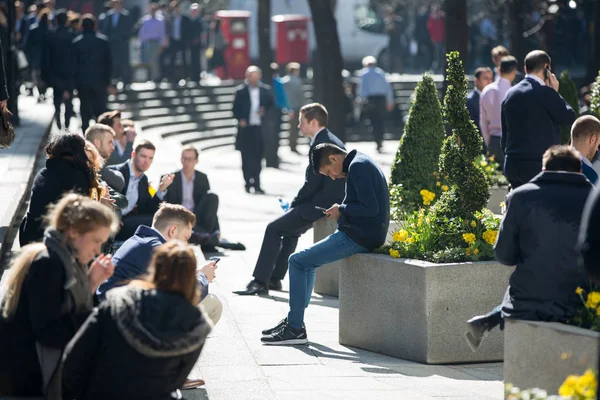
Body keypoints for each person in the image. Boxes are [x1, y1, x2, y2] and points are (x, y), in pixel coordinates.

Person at [465, 146, 593, 350]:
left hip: (528, 299)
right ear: (579, 171)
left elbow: (504, 255)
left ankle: (487, 321)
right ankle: (486, 321)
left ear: (543, 170)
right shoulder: (594, 199)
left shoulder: (521, 197)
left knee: (527, 277)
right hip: (581, 297)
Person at [261, 143, 389, 345]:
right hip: (359, 233)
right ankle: (294, 321)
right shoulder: (359, 161)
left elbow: (370, 208)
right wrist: (340, 209)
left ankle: (294, 328)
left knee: (296, 261)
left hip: (360, 236)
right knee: (306, 263)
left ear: (334, 159)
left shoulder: (358, 166)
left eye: (329, 172)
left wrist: (342, 209)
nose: (332, 177)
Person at [0, 193, 117, 397]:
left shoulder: (70, 261)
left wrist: (91, 284)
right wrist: (97, 322)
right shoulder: (48, 264)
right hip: (24, 379)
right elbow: (50, 331)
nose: (98, 250)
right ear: (73, 231)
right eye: (96, 241)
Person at [63, 241, 212, 399]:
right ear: (191, 276)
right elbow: (177, 381)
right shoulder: (197, 324)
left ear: (154, 267)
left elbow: (75, 358)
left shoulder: (119, 302)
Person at [235, 104, 346, 296]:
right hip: (323, 200)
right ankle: (274, 279)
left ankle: (260, 281)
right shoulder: (326, 139)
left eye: (301, 122)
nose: (298, 126)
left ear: (313, 122)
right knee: (290, 232)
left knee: (273, 228)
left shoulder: (323, 144)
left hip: (320, 204)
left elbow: (312, 184)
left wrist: (295, 204)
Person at [95, 203, 221, 323]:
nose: (186, 244)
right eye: (186, 238)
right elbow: (185, 293)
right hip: (122, 320)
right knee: (212, 304)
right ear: (172, 231)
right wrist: (204, 277)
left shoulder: (143, 241)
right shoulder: (157, 248)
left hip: (114, 312)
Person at [501, 50, 577, 188]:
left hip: (513, 164)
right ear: (546, 68)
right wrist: (555, 92)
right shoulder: (546, 93)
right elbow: (569, 117)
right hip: (538, 166)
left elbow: (504, 134)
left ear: (525, 69)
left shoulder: (510, 94)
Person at [19, 134, 99, 246]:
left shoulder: (42, 173)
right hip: (54, 242)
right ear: (78, 151)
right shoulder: (76, 176)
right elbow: (82, 218)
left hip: (29, 237)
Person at [165, 145, 245, 252]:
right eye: (183, 158)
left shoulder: (202, 178)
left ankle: (211, 236)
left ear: (196, 161)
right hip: (180, 217)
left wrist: (217, 230)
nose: (186, 162)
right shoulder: (172, 178)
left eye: (189, 159)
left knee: (212, 196)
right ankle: (210, 240)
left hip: (197, 216)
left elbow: (210, 208)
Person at [109, 139, 174, 240]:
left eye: (150, 158)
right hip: (110, 220)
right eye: (143, 156)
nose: (146, 161)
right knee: (153, 223)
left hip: (126, 222)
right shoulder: (116, 172)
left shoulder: (143, 179)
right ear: (133, 154)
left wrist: (162, 188)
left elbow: (147, 208)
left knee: (161, 218)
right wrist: (114, 217)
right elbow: (105, 197)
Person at [232, 66, 274, 194]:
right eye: (252, 76)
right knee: (246, 157)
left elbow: (271, 107)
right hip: (246, 129)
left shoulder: (265, 91)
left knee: (258, 156)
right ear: (247, 77)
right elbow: (235, 109)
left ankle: (256, 183)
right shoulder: (241, 91)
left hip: (259, 128)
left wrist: (264, 111)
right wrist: (241, 119)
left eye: (256, 76)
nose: (254, 78)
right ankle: (247, 182)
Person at [72, 14, 111, 133]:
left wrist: (74, 83)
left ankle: (85, 134)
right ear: (94, 26)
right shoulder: (103, 41)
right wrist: (107, 81)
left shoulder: (76, 43)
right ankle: (100, 135)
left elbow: (73, 65)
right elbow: (108, 63)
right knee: (100, 110)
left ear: (81, 26)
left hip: (82, 82)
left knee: (84, 109)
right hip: (100, 81)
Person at [480, 56, 518, 161]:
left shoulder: (486, 90)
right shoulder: (514, 92)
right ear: (514, 71)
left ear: (499, 69)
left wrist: (488, 142)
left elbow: (483, 121)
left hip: (493, 139)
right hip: (511, 140)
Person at [42, 9, 74, 131]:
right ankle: (67, 122)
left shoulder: (50, 36)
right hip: (69, 72)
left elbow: (46, 57)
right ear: (66, 21)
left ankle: (59, 117)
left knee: (57, 97)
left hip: (54, 72)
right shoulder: (72, 36)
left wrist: (45, 74)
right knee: (69, 99)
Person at [357, 56, 394, 153]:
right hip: (381, 100)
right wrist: (389, 101)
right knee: (380, 120)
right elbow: (388, 88)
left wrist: (361, 99)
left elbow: (362, 89)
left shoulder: (364, 74)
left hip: (371, 100)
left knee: (373, 121)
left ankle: (377, 139)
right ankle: (380, 139)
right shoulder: (381, 73)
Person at [99, 0, 132, 86]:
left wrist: (125, 39)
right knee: (113, 62)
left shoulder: (126, 15)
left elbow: (128, 29)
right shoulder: (109, 15)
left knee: (124, 62)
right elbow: (105, 28)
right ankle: (114, 81)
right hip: (112, 43)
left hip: (122, 43)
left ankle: (126, 82)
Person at [84, 123, 126, 192]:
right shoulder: (90, 164)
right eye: (110, 142)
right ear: (97, 143)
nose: (113, 147)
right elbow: (118, 182)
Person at [25, 8, 51, 102]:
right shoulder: (49, 30)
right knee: (44, 76)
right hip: (47, 58)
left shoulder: (34, 29)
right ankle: (42, 93)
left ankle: (41, 93)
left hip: (35, 57)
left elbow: (27, 44)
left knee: (36, 76)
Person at [138, 2, 167, 83]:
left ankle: (156, 78)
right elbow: (142, 32)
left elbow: (162, 33)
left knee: (156, 61)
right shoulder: (145, 19)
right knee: (149, 61)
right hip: (148, 43)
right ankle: (151, 77)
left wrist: (162, 44)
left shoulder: (160, 20)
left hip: (156, 42)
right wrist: (140, 43)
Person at [281, 62, 306, 153]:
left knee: (291, 126)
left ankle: (291, 144)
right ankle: (293, 144)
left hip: (287, 106)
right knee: (295, 127)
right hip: (296, 106)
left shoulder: (283, 81)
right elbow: (300, 95)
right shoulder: (297, 81)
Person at [571, 115, 600, 184]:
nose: (597, 150)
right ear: (592, 139)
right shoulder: (590, 175)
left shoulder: (551, 167)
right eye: (598, 144)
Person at [466, 67, 493, 141]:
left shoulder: (494, 97)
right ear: (476, 81)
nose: (489, 82)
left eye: (491, 79)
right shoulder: (469, 100)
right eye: (485, 78)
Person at [188, 3, 206, 82]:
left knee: (198, 61)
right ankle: (192, 76)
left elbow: (203, 33)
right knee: (191, 60)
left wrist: (200, 40)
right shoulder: (189, 20)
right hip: (190, 44)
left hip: (198, 44)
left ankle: (197, 77)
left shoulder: (200, 21)